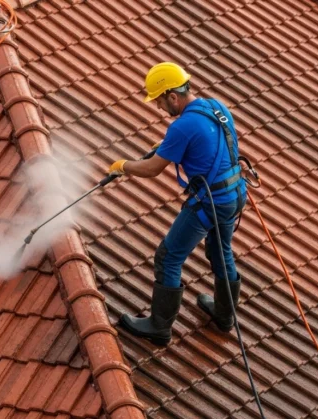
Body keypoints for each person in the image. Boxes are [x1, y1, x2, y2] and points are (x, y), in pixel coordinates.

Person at [112, 62, 247, 346]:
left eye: (160, 101)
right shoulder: (216, 107)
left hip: (210, 203)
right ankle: (225, 316)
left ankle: (159, 327)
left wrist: (123, 166)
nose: (160, 108)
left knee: (168, 256)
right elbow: (216, 148)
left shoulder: (182, 127)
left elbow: (151, 169)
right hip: (235, 194)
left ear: (173, 96)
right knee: (220, 251)